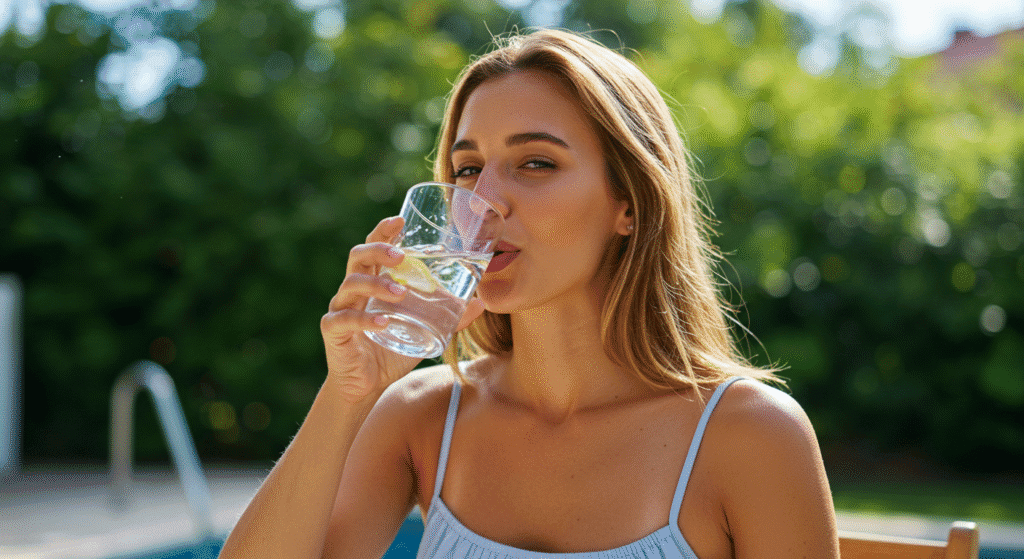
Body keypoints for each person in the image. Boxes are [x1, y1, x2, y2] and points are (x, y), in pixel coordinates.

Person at [219, 28, 840, 559]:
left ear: (629, 203)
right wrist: (347, 394)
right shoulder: (424, 415)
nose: (483, 199)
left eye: (536, 163)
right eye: (467, 168)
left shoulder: (751, 435)